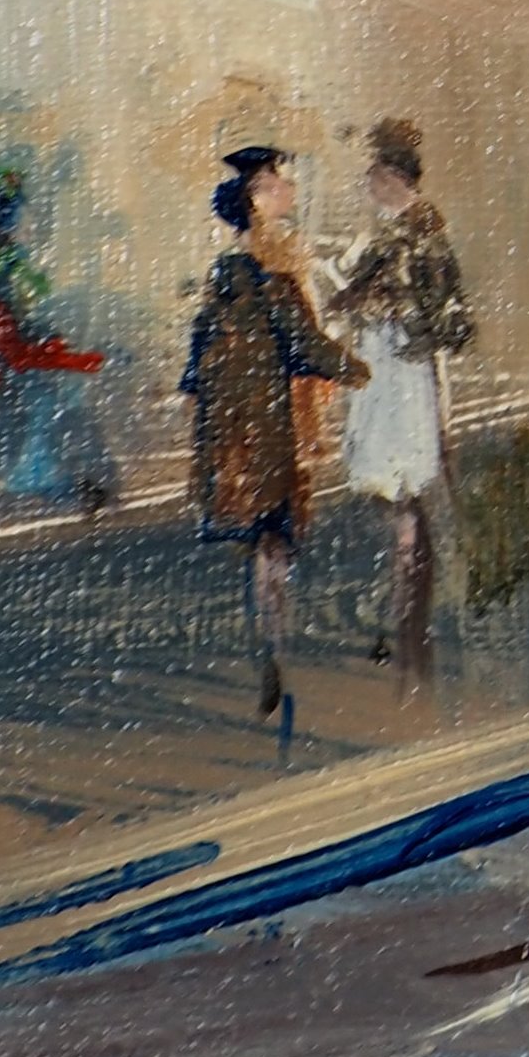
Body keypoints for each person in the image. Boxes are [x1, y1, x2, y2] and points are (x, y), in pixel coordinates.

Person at [184, 144, 363, 722]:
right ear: (257, 198)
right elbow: (304, 343)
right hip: (276, 421)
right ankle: (274, 648)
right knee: (275, 539)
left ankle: (269, 645)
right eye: (278, 183)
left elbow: (199, 361)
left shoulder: (225, 272)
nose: (289, 190)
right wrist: (357, 370)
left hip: (238, 425)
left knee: (262, 541)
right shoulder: (274, 269)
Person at [324, 119, 473, 692]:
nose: (367, 182)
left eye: (374, 173)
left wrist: (373, 303)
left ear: (392, 176)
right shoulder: (404, 231)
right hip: (394, 369)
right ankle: (406, 610)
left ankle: (408, 616)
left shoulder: (411, 232)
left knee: (403, 494)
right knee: (399, 498)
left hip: (401, 373)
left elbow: (427, 308)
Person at [0, 161, 112, 520]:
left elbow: (31, 299)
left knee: (32, 412)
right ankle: (16, 482)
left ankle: (57, 481)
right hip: (1, 355)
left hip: (13, 354)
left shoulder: (13, 259)